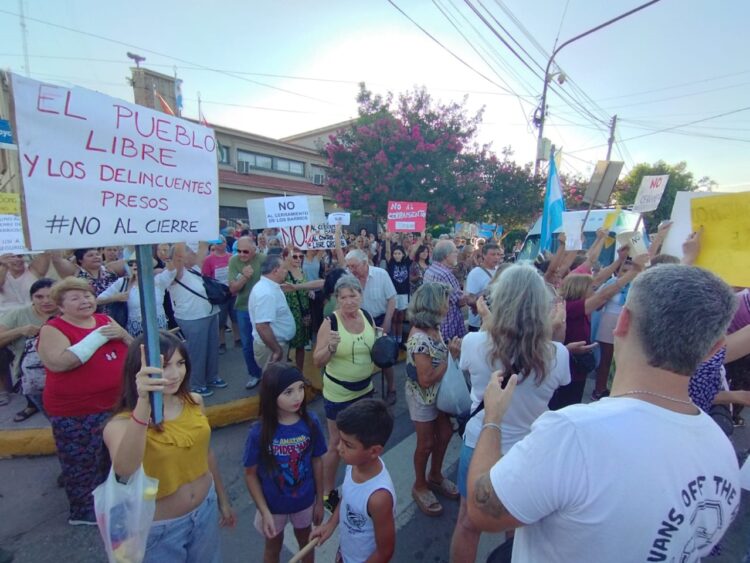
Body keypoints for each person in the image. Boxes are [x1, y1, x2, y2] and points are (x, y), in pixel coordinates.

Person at [467, 264, 741, 562]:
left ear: (622, 322)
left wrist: (492, 419)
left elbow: (482, 513)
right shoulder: (723, 451)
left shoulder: (574, 434)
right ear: (715, 349)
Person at [449, 265, 571, 563]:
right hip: (527, 448)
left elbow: (487, 349)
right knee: (517, 525)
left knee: (467, 522)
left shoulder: (473, 343)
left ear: (498, 301)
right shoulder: (557, 355)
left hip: (478, 442)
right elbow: (560, 379)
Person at [103, 332, 235, 562]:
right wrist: (144, 402)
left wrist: (223, 500)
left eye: (180, 363)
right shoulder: (121, 424)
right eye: (164, 366)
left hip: (205, 509)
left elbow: (206, 454)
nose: (175, 374)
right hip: (160, 530)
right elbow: (125, 469)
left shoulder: (194, 401)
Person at [36, 277, 132, 525]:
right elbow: (59, 362)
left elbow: (133, 350)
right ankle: (85, 512)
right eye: (75, 297)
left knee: (113, 457)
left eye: (87, 295)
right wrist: (98, 337)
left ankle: (112, 500)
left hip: (115, 405)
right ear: (61, 305)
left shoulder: (104, 320)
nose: (85, 301)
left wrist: (123, 335)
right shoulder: (53, 329)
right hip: (77, 411)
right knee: (83, 463)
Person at [243, 363, 326, 563]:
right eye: (288, 392)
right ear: (272, 395)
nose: (298, 396)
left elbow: (317, 461)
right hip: (273, 506)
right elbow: (250, 474)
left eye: (300, 388)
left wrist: (320, 502)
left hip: (305, 501)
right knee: (273, 547)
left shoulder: (311, 422)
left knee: (306, 544)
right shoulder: (258, 432)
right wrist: (264, 511)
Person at [548, 252, 649, 410]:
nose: (594, 290)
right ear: (580, 289)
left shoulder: (577, 305)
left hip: (576, 367)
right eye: (591, 288)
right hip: (568, 368)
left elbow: (600, 281)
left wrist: (619, 260)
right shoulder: (571, 307)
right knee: (564, 406)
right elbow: (604, 295)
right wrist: (633, 271)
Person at [313, 274, 377, 513]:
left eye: (354, 295)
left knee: (362, 440)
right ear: (336, 300)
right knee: (336, 444)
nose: (349, 301)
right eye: (344, 297)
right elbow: (317, 361)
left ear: (361, 295)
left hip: (365, 390)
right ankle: (328, 492)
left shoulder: (367, 316)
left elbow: (371, 346)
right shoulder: (330, 323)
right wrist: (330, 347)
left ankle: (359, 481)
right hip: (339, 393)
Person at [311, 399, 396, 563]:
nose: (339, 448)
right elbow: (347, 499)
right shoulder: (354, 465)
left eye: (348, 445)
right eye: (340, 440)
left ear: (374, 451)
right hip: (345, 554)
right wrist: (330, 526)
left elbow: (385, 551)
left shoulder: (379, 498)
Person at [405, 283, 461, 518]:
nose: (448, 305)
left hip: (438, 394)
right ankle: (419, 484)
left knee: (446, 432)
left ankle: (435, 475)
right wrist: (451, 357)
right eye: (445, 301)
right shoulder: (419, 337)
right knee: (425, 443)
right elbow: (425, 379)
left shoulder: (434, 327)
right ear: (433, 304)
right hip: (423, 396)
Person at [344, 249, 398, 405]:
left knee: (386, 357)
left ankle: (392, 389)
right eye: (349, 267)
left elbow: (392, 299)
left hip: (381, 319)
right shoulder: (349, 278)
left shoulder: (381, 274)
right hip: (360, 321)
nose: (351, 270)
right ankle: (366, 388)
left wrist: (387, 321)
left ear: (365, 262)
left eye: (354, 266)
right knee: (361, 355)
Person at [0, 278, 57, 420]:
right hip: (29, 371)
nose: (45, 301)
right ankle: (32, 405)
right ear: (31, 298)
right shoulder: (18, 314)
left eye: (51, 296)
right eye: (39, 297)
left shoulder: (68, 311)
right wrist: (20, 330)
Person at [247, 255, 296, 388]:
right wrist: (277, 350)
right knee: (274, 385)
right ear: (275, 270)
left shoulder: (271, 287)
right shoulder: (266, 293)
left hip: (274, 344)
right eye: (284, 268)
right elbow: (262, 326)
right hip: (270, 347)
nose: (286, 271)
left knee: (277, 383)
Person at [96, 254, 174, 336]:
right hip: (135, 333)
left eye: (137, 262)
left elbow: (172, 271)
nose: (134, 265)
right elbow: (98, 300)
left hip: (159, 331)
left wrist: (168, 257)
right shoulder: (122, 282)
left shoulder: (158, 281)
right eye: (131, 263)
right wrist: (116, 297)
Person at [228, 236, 264, 389]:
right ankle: (254, 374)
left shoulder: (263, 259)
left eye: (245, 251)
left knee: (264, 342)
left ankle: (268, 373)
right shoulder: (233, 261)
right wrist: (244, 277)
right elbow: (233, 288)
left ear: (254, 250)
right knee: (248, 344)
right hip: (243, 308)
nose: (241, 254)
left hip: (262, 308)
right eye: (238, 251)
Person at [423, 240, 474, 341]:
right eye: (455, 252)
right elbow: (459, 301)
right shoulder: (445, 274)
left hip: (435, 322)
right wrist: (473, 298)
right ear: (446, 255)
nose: (457, 254)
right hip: (448, 325)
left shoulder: (430, 269)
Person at [202, 236, 238, 354]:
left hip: (232, 292)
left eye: (222, 242)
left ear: (226, 243)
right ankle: (221, 343)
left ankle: (237, 339)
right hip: (219, 294)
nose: (220, 244)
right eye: (218, 242)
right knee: (221, 321)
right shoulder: (208, 260)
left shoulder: (231, 257)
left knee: (235, 317)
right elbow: (206, 277)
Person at [282, 247, 312, 371]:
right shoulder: (283, 272)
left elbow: (304, 286)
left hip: (303, 313)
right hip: (289, 313)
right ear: (285, 257)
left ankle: (300, 372)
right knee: (285, 345)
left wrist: (309, 291)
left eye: (301, 257)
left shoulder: (302, 271)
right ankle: (283, 373)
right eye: (295, 256)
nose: (298, 259)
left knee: (301, 345)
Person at [464, 243, 504, 332]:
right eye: (493, 254)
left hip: (496, 322)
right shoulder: (475, 273)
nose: (497, 257)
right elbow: (469, 299)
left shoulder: (500, 271)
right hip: (478, 324)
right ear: (484, 255)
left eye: (498, 254)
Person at [384, 236, 411, 346]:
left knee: (400, 318)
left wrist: (421, 237)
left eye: (399, 253)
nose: (396, 255)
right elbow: (387, 251)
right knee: (393, 317)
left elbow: (412, 251)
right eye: (395, 253)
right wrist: (387, 239)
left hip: (404, 294)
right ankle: (393, 339)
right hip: (393, 294)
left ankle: (399, 339)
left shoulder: (407, 262)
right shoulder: (391, 263)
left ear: (403, 254)